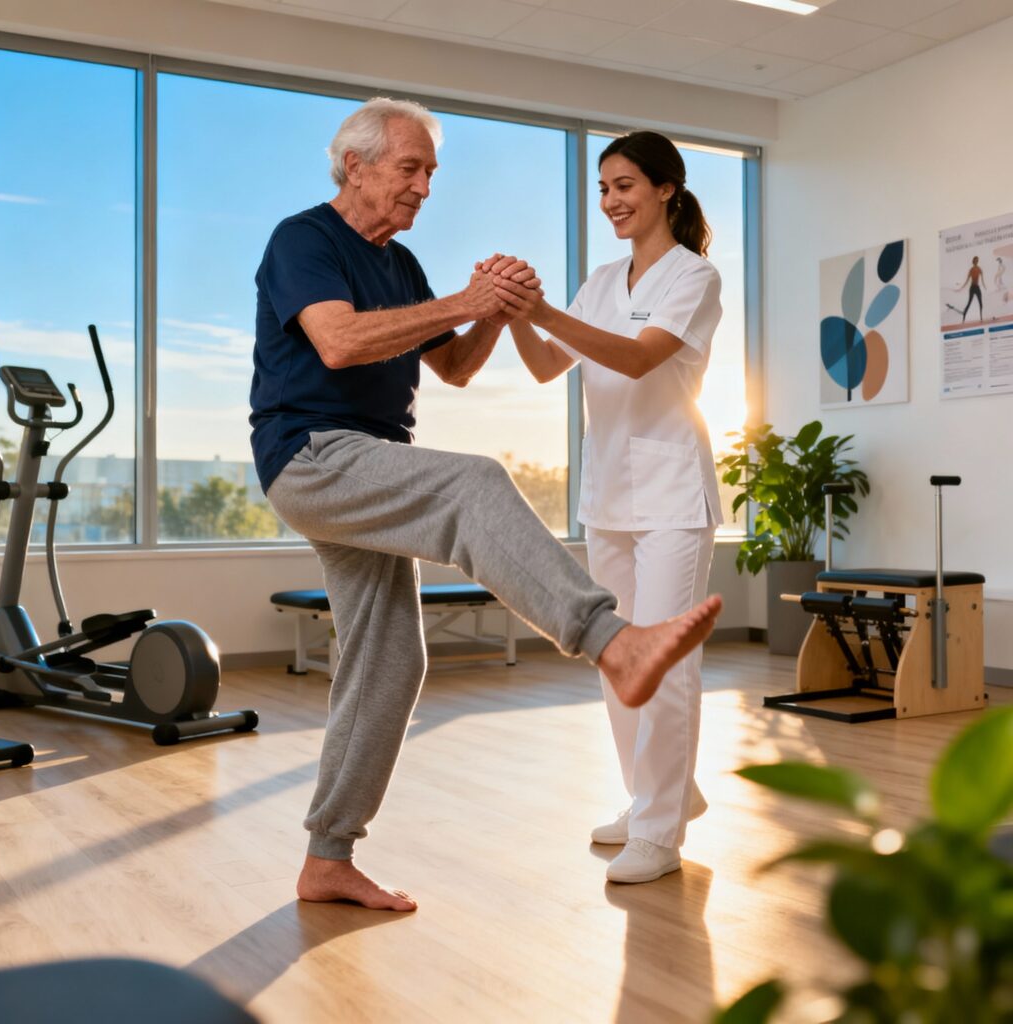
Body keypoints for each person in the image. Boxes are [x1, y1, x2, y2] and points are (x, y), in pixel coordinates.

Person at [249, 99, 723, 912]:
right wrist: (471, 300)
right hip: (314, 455)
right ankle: (611, 641)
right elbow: (338, 341)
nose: (425, 187)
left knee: (394, 657)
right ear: (355, 165)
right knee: (473, 481)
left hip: (375, 464)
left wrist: (498, 307)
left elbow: (458, 366)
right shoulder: (305, 240)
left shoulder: (399, 265)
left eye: (431, 172)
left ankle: (328, 856)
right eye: (411, 168)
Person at [483, 130, 723, 884]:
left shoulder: (694, 276)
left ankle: (659, 829)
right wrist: (520, 311)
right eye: (602, 188)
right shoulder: (598, 281)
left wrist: (543, 307)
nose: (611, 201)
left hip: (673, 494)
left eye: (624, 186)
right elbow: (546, 364)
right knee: (614, 656)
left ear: (665, 191)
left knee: (665, 660)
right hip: (609, 496)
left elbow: (637, 355)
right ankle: (659, 796)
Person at [958, 256, 985, 322]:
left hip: (977, 287)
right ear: (973, 262)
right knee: (969, 303)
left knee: (981, 303)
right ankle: (964, 316)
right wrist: (962, 287)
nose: (976, 262)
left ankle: (981, 318)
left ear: (977, 261)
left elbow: (982, 279)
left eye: (977, 260)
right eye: (975, 260)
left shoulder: (979, 269)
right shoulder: (971, 269)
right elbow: (967, 280)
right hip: (972, 288)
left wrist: (984, 285)